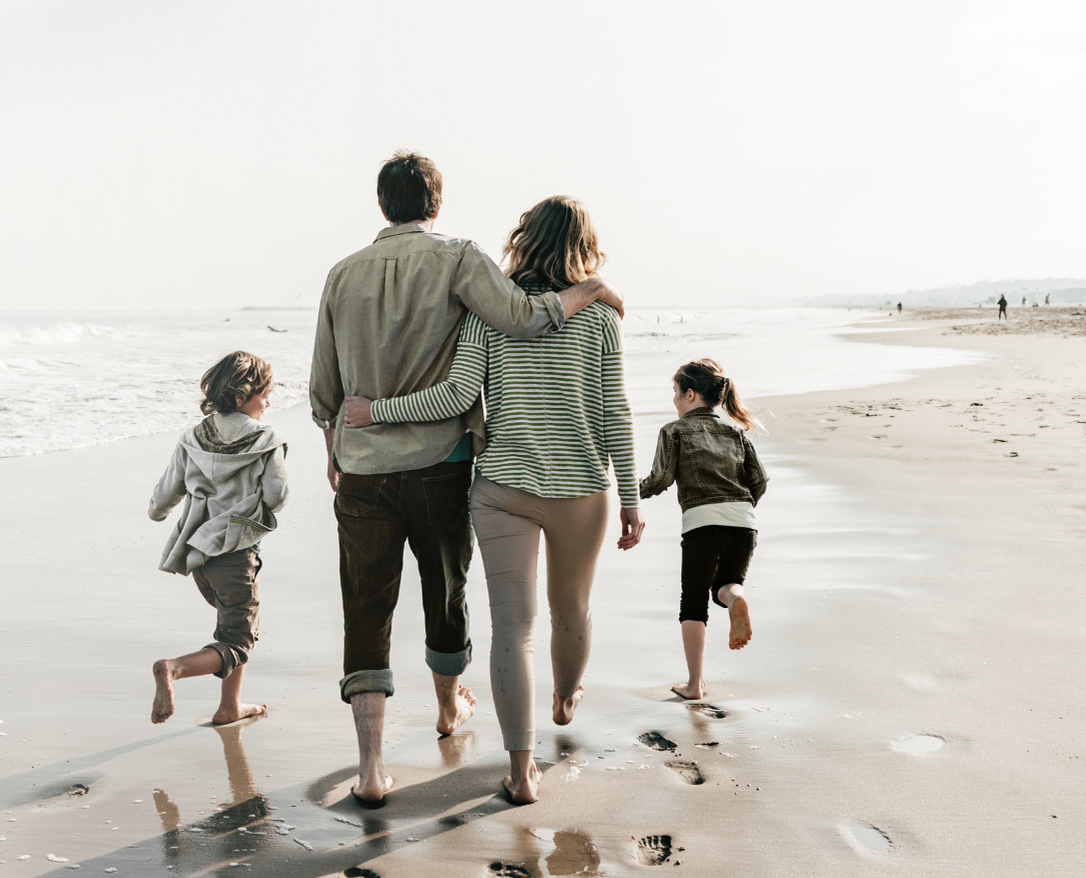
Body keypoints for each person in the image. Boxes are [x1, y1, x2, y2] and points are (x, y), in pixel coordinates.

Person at [310, 154, 623, 809]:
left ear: (380, 203)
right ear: (436, 202)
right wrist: (591, 292)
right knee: (448, 592)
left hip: (376, 469)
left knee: (369, 612)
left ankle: (374, 769)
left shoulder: (340, 275)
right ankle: (462, 703)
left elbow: (326, 386)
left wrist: (334, 443)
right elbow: (531, 326)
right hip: (447, 466)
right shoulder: (462, 263)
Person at [148, 351, 289, 727]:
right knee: (237, 640)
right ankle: (174, 668)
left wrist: (157, 513)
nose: (268, 402)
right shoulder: (265, 439)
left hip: (197, 552)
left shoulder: (192, 437)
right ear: (243, 397)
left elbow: (165, 494)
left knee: (232, 625)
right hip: (236, 551)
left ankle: (230, 706)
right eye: (264, 394)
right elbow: (277, 495)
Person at [637, 359, 769, 702]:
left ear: (691, 394)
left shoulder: (674, 430)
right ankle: (736, 599)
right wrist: (739, 506)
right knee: (725, 585)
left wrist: (631, 490)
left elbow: (661, 478)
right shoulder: (735, 433)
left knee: (693, 603)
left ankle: (695, 684)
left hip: (702, 524)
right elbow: (759, 481)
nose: (674, 401)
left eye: (676, 393)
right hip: (743, 523)